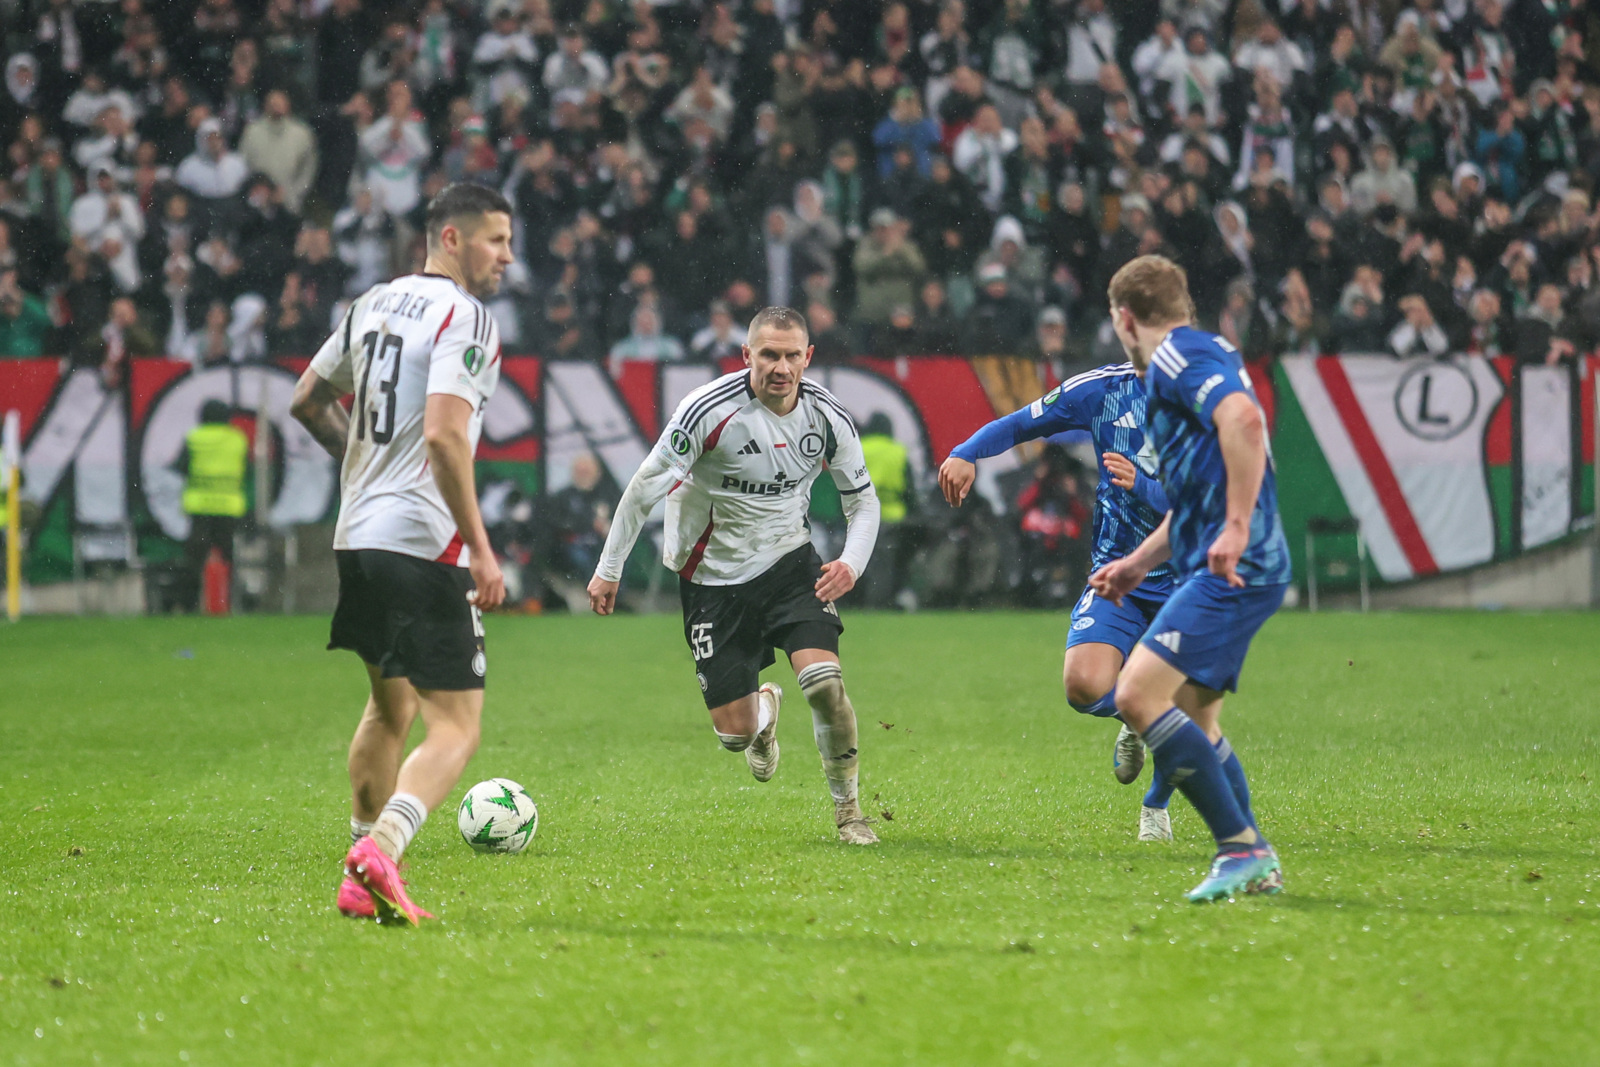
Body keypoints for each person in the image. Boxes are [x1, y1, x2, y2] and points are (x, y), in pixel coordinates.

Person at [290, 182, 513, 925]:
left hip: (356, 535)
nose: (506, 257)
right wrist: (480, 550)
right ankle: (382, 847)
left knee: (390, 708)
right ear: (450, 238)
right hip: (420, 540)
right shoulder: (466, 315)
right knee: (457, 725)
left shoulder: (371, 303)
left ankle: (359, 872)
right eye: (494, 239)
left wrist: (359, 466)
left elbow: (307, 400)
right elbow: (447, 435)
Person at [586, 307, 883, 846]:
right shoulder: (706, 411)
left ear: (808, 357)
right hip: (711, 582)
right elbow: (643, 488)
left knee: (823, 683)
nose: (781, 366)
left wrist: (850, 563)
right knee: (733, 734)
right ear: (747, 355)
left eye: (793, 355)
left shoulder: (827, 417)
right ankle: (763, 711)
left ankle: (849, 812)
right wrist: (610, 570)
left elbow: (862, 501)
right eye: (769, 354)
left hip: (790, 565)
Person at [1091, 254, 1290, 901]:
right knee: (1199, 720)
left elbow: (1247, 422)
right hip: (1237, 558)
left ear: (1125, 318)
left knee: (1137, 695)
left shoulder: (1175, 358)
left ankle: (1241, 848)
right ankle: (1258, 863)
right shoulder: (1205, 352)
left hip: (1235, 564)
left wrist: (1235, 526)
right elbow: (1195, 499)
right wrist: (1135, 565)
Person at [938, 357, 1178, 841]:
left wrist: (1146, 486)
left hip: (1187, 579)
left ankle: (1155, 810)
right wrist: (966, 451)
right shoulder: (1102, 390)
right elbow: (1023, 423)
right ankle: (1136, 714)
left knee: (1188, 704)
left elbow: (1221, 503)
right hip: (1117, 578)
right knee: (1083, 687)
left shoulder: (1207, 397)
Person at [179, 399, 249, 612]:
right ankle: (230, 603)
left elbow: (181, 466)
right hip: (229, 507)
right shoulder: (238, 439)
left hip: (200, 506)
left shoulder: (194, 437)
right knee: (228, 557)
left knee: (194, 559)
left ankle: (189, 605)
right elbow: (245, 469)